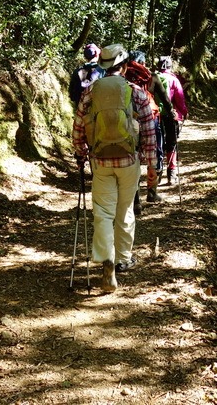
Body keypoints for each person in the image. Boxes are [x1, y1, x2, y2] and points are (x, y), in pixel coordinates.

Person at [72, 44, 158, 293]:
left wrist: (80, 153)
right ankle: (123, 258)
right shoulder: (136, 93)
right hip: (129, 161)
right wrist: (151, 164)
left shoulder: (90, 92)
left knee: (103, 212)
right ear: (125, 66)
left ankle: (106, 260)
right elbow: (149, 130)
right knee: (125, 210)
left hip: (100, 161)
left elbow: (78, 126)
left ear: (103, 65)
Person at [125, 50, 173, 208]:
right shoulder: (151, 77)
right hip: (151, 119)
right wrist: (171, 113)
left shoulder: (123, 76)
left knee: (134, 159)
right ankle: (152, 193)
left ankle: (135, 200)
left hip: (129, 122)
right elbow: (165, 100)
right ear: (143, 62)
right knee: (154, 155)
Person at [156, 56, 187, 185]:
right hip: (170, 115)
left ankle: (157, 173)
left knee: (157, 144)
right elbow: (179, 99)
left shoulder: (152, 78)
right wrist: (184, 112)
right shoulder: (174, 80)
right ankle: (172, 174)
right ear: (170, 66)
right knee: (171, 143)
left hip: (155, 116)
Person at [68, 43, 105, 108]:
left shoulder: (77, 71)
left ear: (85, 57)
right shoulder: (102, 72)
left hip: (80, 108)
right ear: (97, 55)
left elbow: (72, 95)